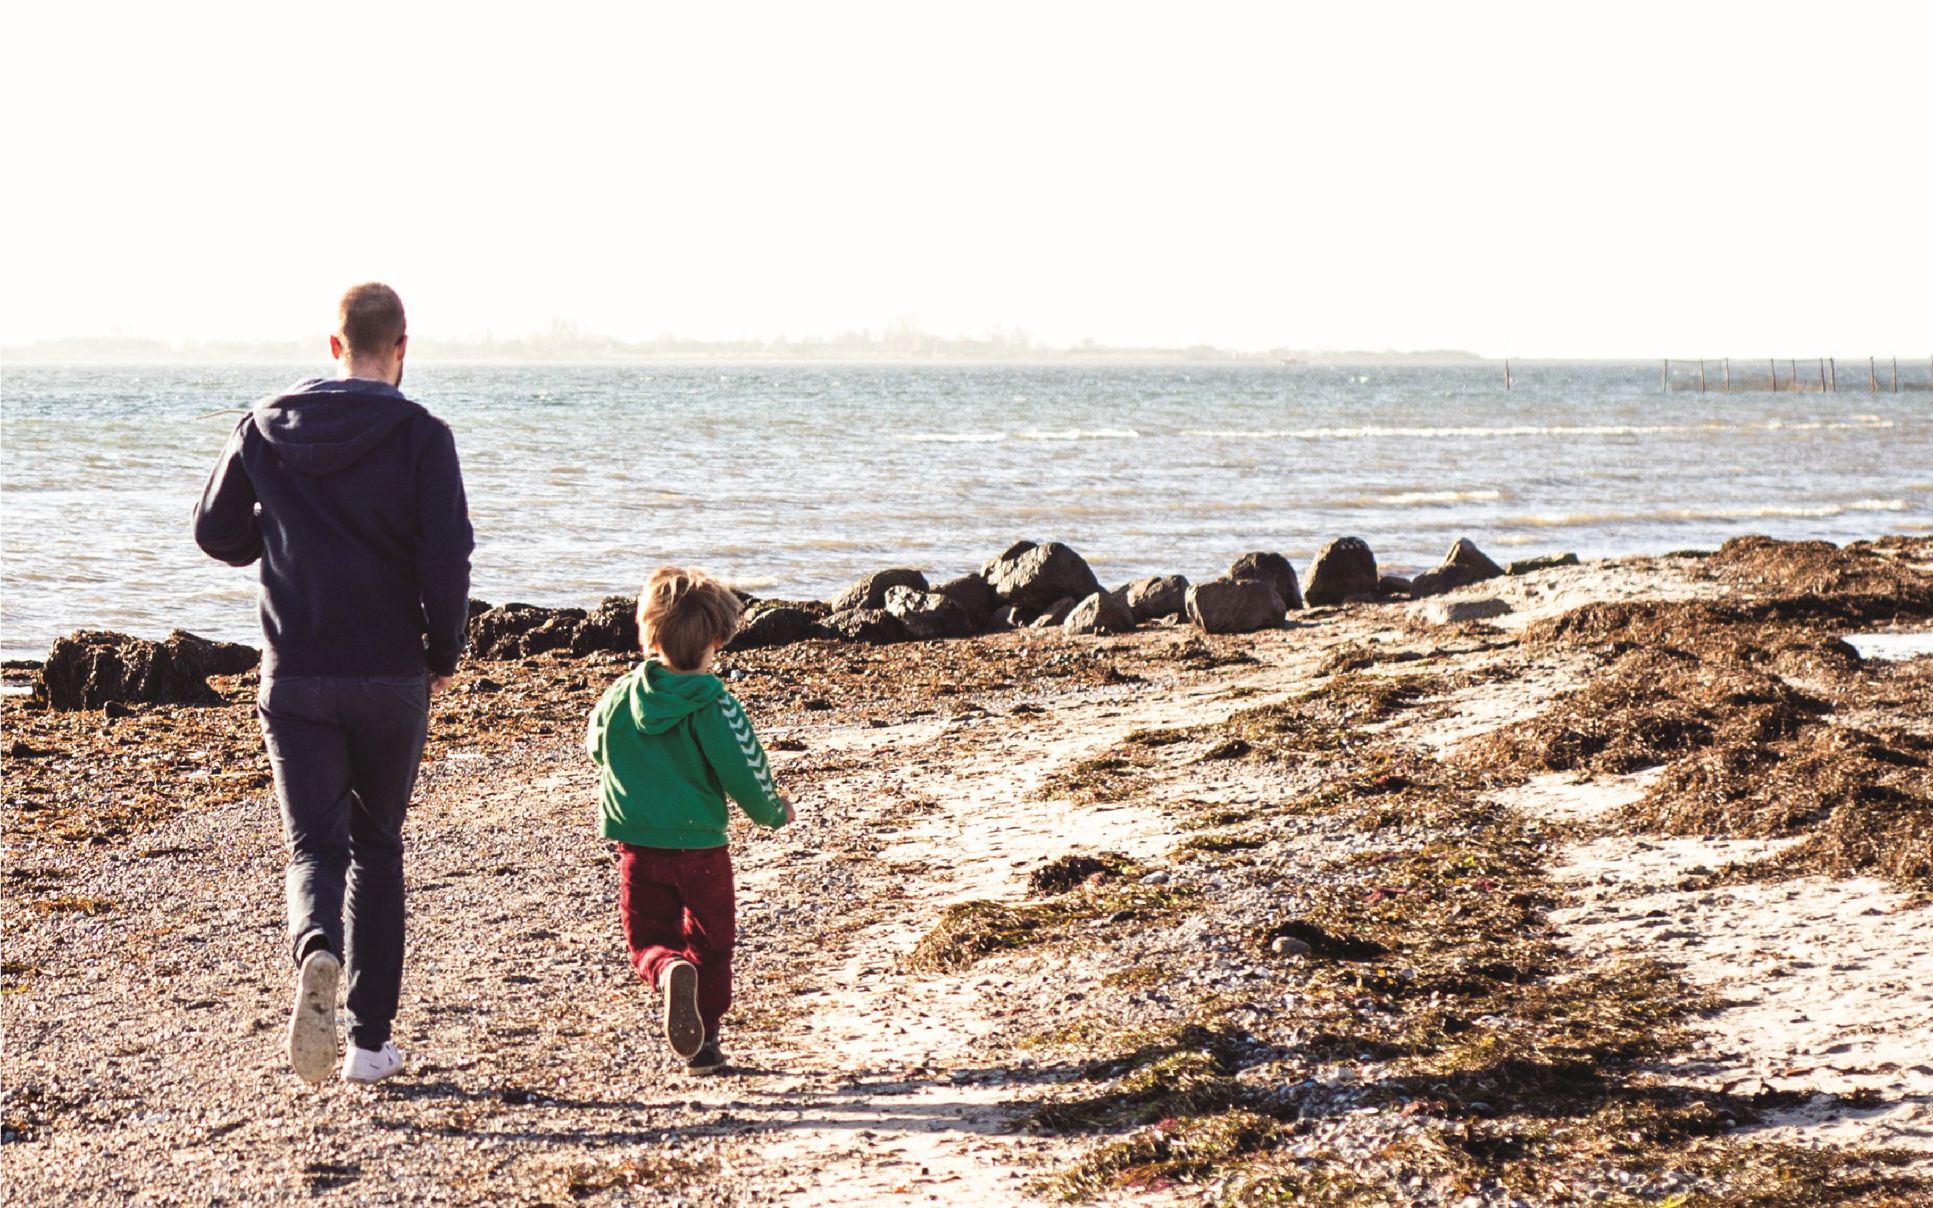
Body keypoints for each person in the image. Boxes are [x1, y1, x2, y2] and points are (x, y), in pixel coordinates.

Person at [193, 282, 473, 1085]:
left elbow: (214, 531)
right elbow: (445, 559)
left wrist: (275, 536)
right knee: (378, 848)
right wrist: (444, 653)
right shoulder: (423, 435)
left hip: (296, 674)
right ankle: (368, 1044)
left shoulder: (264, 424)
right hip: (390, 674)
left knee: (314, 847)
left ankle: (316, 949)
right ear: (402, 348)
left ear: (333, 345)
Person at [585, 567, 792, 1073]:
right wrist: (772, 811)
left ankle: (667, 969)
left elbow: (595, 748)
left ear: (647, 633)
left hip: (636, 846)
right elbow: (745, 769)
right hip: (701, 847)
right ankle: (706, 1042)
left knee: (648, 938)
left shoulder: (618, 697)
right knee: (712, 941)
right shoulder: (715, 704)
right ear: (718, 640)